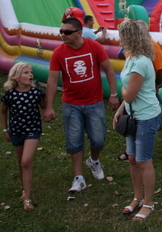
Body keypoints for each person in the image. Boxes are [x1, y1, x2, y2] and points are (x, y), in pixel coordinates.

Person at [44, 17, 119, 193]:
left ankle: (94, 161)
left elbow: (109, 70)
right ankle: (79, 178)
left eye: (67, 32)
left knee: (98, 140)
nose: (63, 35)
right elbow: (53, 80)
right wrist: (49, 106)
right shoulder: (58, 53)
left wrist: (114, 95)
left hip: (94, 102)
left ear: (78, 32)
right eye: (61, 31)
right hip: (71, 104)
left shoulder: (94, 47)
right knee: (74, 141)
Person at [113, 20, 162, 220]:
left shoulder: (141, 61)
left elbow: (129, 93)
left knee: (143, 160)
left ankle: (149, 203)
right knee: (132, 159)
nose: (119, 40)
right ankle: (137, 197)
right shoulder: (131, 57)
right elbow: (128, 94)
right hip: (133, 115)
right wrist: (119, 110)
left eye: (122, 36)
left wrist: (123, 94)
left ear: (129, 38)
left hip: (146, 116)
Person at [0, 63, 46, 210]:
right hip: (16, 131)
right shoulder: (9, 95)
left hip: (32, 130)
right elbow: (3, 112)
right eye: (26, 73)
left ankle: (27, 198)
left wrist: (48, 113)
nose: (30, 75)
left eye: (31, 72)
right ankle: (24, 189)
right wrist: (5, 130)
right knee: (21, 163)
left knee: (26, 161)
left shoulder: (36, 93)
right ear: (16, 77)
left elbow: (44, 107)